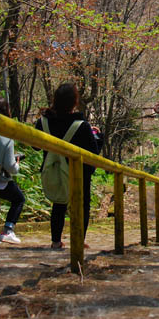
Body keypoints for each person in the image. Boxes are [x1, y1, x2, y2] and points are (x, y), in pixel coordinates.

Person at [35, 83, 103, 249]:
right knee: (82, 205)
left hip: (55, 169)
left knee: (59, 203)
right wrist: (98, 136)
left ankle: (56, 241)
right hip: (78, 172)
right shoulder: (81, 125)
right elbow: (93, 153)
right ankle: (78, 241)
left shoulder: (43, 122)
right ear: (75, 102)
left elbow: (35, 146)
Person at [0, 98, 26, 244]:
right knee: (19, 199)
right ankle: (8, 230)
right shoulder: (6, 137)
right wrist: (17, 164)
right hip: (0, 179)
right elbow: (10, 167)